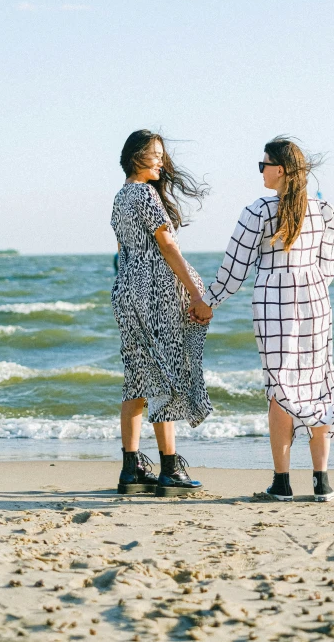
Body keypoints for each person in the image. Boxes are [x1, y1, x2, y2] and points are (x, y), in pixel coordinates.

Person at [191, 137, 334, 502]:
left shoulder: (260, 211)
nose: (260, 170)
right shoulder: (325, 211)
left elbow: (234, 270)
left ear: (279, 169)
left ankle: (282, 483)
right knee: (317, 380)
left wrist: (207, 302)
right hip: (316, 300)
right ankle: (321, 482)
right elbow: (327, 269)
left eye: (263, 164)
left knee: (280, 387)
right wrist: (308, 288)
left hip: (273, 300)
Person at [111, 129, 213, 497]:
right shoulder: (145, 193)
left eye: (162, 154)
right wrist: (197, 290)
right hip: (155, 292)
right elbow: (167, 245)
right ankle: (169, 467)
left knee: (137, 378)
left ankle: (131, 469)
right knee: (165, 374)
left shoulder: (120, 198)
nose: (161, 160)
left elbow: (123, 252)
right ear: (136, 156)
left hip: (126, 292)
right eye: (154, 154)